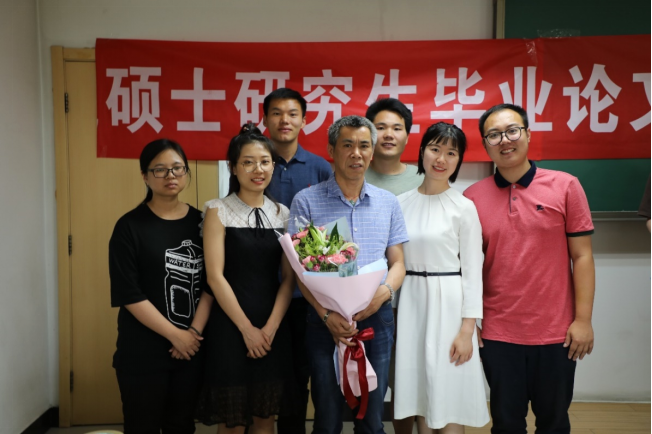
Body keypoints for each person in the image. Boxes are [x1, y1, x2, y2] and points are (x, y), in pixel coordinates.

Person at [464, 104, 596, 434]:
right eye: (494, 135)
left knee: (554, 422)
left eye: (512, 131)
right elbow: (466, 268)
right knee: (506, 423)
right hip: (497, 332)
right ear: (485, 144)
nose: (504, 140)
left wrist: (583, 320)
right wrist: (468, 324)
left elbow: (582, 256)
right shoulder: (471, 198)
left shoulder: (565, 185)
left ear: (528, 134)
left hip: (556, 333)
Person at [289, 115, 409, 434]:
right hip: (324, 320)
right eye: (347, 145)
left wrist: (383, 294)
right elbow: (301, 270)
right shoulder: (306, 200)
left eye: (364, 145)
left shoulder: (388, 203)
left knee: (372, 417)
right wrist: (326, 315)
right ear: (331, 150)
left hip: (376, 317)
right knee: (327, 417)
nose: (357, 153)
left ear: (372, 152)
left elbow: (398, 263)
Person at [109, 139, 213, 434]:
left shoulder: (203, 223)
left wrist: (191, 335)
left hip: (190, 350)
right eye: (160, 169)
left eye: (178, 168)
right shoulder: (129, 226)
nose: (170, 175)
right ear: (145, 176)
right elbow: (129, 293)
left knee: (181, 426)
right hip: (142, 352)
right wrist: (176, 336)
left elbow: (211, 284)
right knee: (142, 426)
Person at [196, 124, 295, 433]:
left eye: (265, 162)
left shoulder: (283, 213)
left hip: (272, 325)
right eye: (248, 162)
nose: (258, 169)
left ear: (273, 166)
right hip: (230, 326)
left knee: (265, 419)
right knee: (233, 422)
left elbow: (289, 279)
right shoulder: (218, 210)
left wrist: (270, 328)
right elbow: (215, 277)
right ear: (233, 167)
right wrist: (247, 330)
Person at [394, 122, 490, 434]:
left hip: (450, 304)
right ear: (422, 151)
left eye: (451, 153)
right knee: (421, 388)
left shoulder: (464, 207)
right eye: (435, 149)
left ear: (458, 160)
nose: (441, 159)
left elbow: (473, 272)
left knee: (450, 388)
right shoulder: (400, 203)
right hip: (411, 301)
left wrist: (467, 329)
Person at [263, 88, 332, 433]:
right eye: (276, 113)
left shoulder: (320, 167)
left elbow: (329, 227)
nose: (284, 120)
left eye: (292, 113)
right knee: (270, 374)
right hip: (263, 287)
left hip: (308, 292)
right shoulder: (256, 162)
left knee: (304, 374)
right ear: (266, 119)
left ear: (304, 120)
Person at [364, 98, 423, 196]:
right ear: (369, 134)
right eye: (381, 128)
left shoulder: (423, 179)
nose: (389, 135)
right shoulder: (354, 175)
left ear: (407, 138)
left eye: (397, 129)